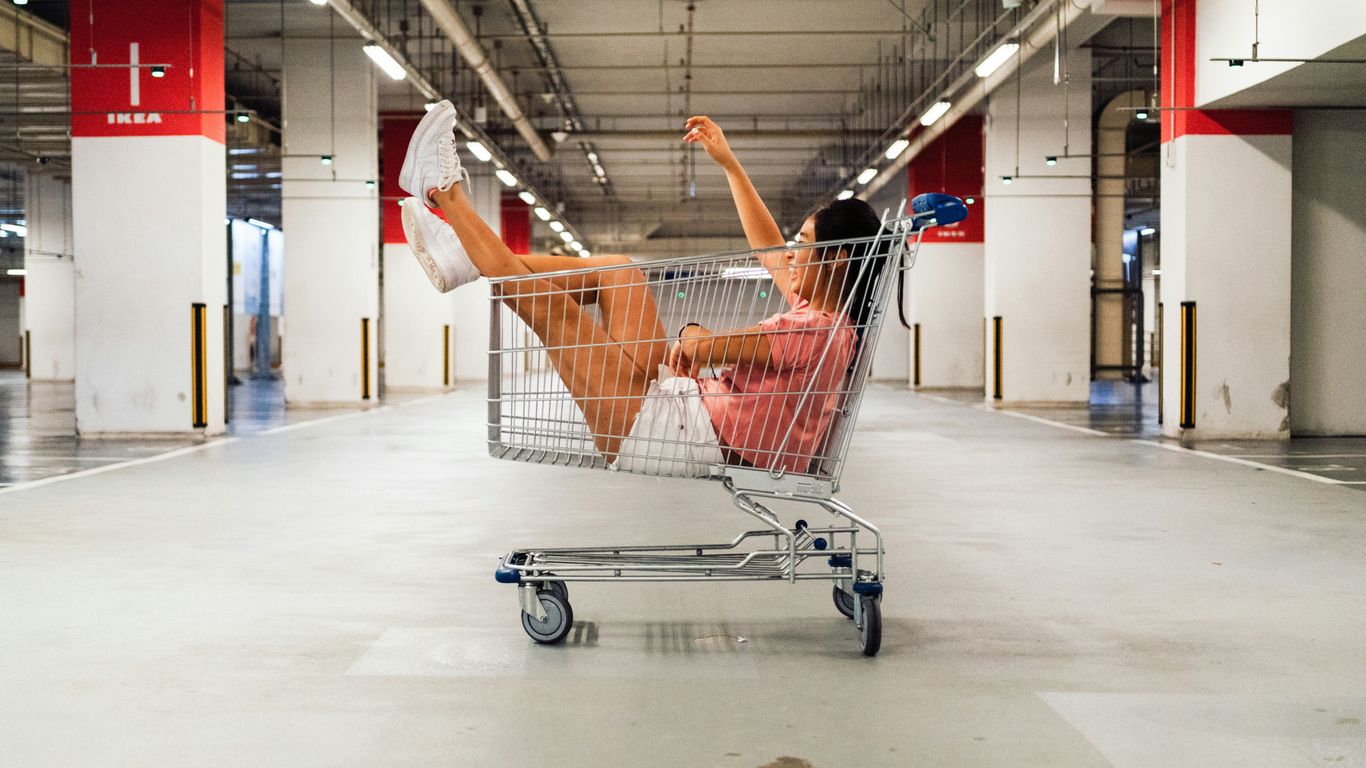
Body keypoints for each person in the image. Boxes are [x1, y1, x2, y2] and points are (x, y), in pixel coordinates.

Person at [398, 101, 889, 476]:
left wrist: (695, 337)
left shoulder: (816, 330)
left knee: (553, 310)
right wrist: (730, 164)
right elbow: (765, 248)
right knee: (618, 268)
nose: (789, 253)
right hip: (682, 411)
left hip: (671, 433)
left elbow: (705, 346)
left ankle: (444, 191)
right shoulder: (821, 315)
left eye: (802, 243)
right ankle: (467, 258)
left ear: (837, 258)